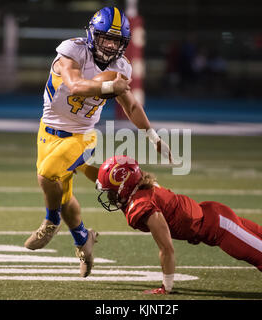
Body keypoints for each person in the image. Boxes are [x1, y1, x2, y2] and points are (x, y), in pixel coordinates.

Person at [24, 7, 173, 278]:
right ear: (93, 35)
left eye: (117, 41)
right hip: (47, 130)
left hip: (83, 135)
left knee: (47, 175)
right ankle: (83, 239)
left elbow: (131, 106)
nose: (110, 45)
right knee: (64, 193)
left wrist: (153, 137)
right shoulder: (71, 50)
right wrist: (108, 88)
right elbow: (74, 86)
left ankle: (51, 221)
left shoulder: (119, 67)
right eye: (106, 38)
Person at [95, 155, 262, 294]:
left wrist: (166, 287)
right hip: (214, 214)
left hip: (219, 227)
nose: (109, 196)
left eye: (111, 190)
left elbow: (167, 248)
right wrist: (82, 167)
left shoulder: (143, 205)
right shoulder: (143, 188)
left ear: (125, 185)